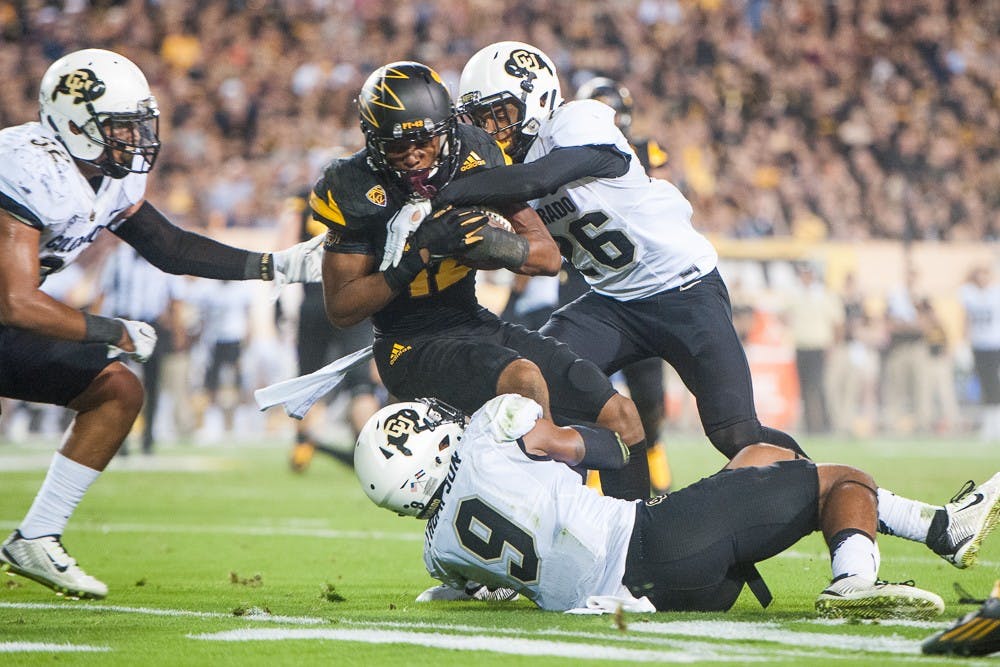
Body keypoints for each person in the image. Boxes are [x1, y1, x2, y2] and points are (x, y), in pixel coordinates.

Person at [0, 48, 322, 599]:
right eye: (120, 126)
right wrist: (112, 330)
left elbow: (168, 247)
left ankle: (38, 536)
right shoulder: (28, 166)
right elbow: (16, 302)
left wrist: (273, 264)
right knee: (114, 368)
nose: (135, 137)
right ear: (76, 124)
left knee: (116, 388)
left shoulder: (102, 177)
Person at [427, 42, 808, 471]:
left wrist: (446, 193)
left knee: (735, 435)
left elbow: (540, 178)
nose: (490, 127)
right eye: (479, 118)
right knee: (536, 374)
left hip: (684, 290)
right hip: (614, 304)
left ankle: (832, 491)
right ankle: (612, 513)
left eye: (499, 113)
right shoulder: (508, 163)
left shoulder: (575, 120)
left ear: (537, 98)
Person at [312, 61, 648, 499]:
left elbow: (546, 256)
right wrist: (414, 258)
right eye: (400, 146)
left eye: (425, 139)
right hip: (407, 344)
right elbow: (342, 308)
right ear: (374, 143)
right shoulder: (354, 185)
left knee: (620, 415)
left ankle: (643, 545)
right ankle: (552, 519)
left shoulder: (473, 154)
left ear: (447, 128)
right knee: (523, 380)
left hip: (474, 321)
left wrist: (490, 245)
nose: (415, 154)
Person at [354, 393, 1000, 617]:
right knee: (836, 478)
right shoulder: (491, 427)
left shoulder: (440, 556)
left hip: (653, 590)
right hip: (654, 543)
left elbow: (481, 587)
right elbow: (597, 451)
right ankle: (870, 569)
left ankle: (945, 528)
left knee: (759, 458)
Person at [277, 189, 381, 472]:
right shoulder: (366, 197)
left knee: (311, 381)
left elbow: (285, 249)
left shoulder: (305, 198)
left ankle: (302, 447)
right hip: (353, 299)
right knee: (361, 384)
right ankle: (370, 453)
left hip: (313, 299)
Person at [959, 265, 1000, 441]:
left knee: (994, 384)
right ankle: (989, 424)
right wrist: (964, 340)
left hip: (994, 344)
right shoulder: (968, 293)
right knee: (984, 384)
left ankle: (995, 424)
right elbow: (965, 318)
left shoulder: (995, 293)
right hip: (978, 345)